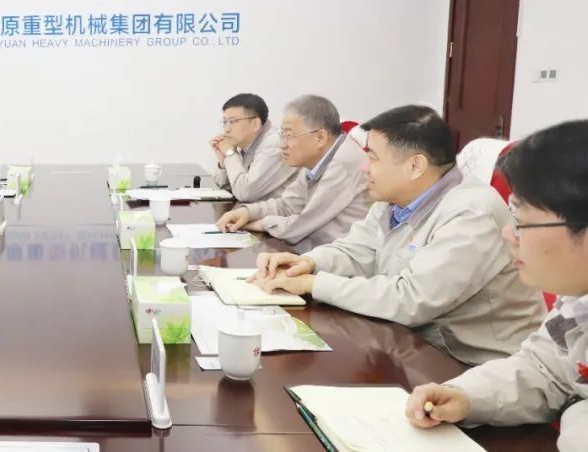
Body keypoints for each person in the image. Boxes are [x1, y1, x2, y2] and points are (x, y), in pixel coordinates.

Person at [251, 105, 545, 366]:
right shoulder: (394, 198)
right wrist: (308, 263)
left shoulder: (472, 214)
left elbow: (410, 300)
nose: (364, 167)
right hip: (414, 344)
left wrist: (313, 284)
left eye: (373, 158)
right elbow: (357, 249)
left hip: (473, 365)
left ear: (415, 166)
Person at [404, 120, 588, 452]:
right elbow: (545, 369)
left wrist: (576, 411)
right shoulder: (578, 299)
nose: (507, 233)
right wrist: (467, 396)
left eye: (520, 221)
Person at [215, 95, 372, 252]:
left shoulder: (342, 163)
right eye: (282, 135)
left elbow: (303, 224)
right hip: (314, 250)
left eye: (289, 136)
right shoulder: (316, 158)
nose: (282, 145)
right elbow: (288, 205)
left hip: (339, 258)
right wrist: (247, 212)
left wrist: (260, 223)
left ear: (320, 137)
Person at [209, 93, 297, 202]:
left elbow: (245, 193)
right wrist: (224, 161)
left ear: (255, 124)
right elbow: (226, 187)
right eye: (225, 122)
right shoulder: (246, 141)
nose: (226, 129)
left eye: (232, 121)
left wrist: (230, 154)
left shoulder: (274, 145)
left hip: (280, 211)